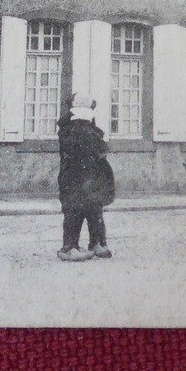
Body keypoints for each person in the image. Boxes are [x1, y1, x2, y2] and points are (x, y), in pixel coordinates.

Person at [57, 94, 116, 260]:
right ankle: (69, 247)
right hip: (73, 178)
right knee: (73, 211)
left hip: (92, 177)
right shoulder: (68, 131)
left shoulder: (91, 131)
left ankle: (97, 243)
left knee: (94, 210)